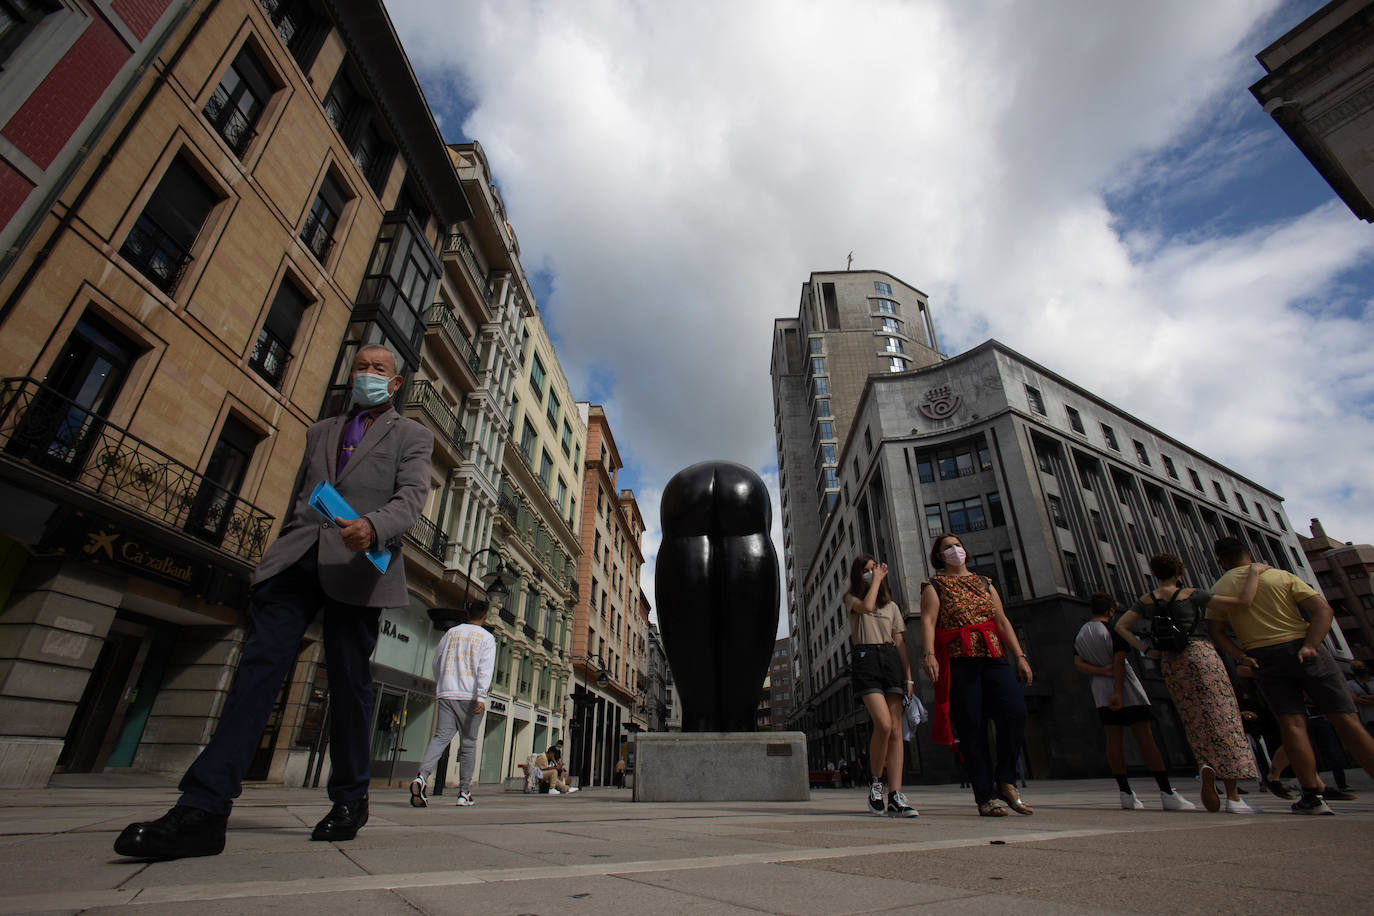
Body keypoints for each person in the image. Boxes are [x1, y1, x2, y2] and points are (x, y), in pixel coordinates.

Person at [114, 345, 433, 859]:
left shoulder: (413, 436)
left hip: (359, 565)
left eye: (379, 369)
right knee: (258, 670)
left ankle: (350, 797)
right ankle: (204, 808)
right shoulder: (320, 431)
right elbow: (299, 501)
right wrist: (268, 564)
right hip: (295, 562)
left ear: (395, 385)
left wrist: (374, 527)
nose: (368, 374)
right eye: (362, 366)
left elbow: (412, 498)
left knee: (349, 683)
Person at [1206, 536, 1374, 815]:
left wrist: (1240, 656)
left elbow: (1217, 632)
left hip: (1262, 656)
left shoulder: (1220, 588)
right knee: (1346, 719)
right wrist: (1310, 645)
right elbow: (1323, 610)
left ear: (1220, 560)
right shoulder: (1279, 575)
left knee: (1292, 724)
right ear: (1248, 553)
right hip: (1302, 646)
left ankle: (1312, 795)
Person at [1115, 553, 1263, 814]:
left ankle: (1205, 765)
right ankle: (1233, 796)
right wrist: (1253, 573)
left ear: (1155, 573)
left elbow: (1121, 626)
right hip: (1200, 653)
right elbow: (1242, 602)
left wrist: (1146, 650)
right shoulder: (1191, 595)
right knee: (1223, 719)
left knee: (1194, 720)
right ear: (1179, 573)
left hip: (1171, 662)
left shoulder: (1147, 600)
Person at [921, 533, 1033, 817]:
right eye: (948, 547)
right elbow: (928, 620)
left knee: (1015, 712)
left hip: (994, 656)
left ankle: (1006, 779)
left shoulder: (985, 583)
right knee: (973, 727)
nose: (955, 550)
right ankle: (985, 796)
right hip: (960, 661)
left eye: (957, 545)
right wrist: (929, 654)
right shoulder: (934, 585)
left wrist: (1019, 656)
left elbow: (1002, 620)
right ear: (939, 556)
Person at [1073, 593, 1194, 811]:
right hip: (1126, 689)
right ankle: (1166, 791)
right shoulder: (1113, 630)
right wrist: (1118, 691)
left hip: (1099, 689)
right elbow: (1119, 662)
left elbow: (1079, 664)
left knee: (1113, 741)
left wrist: (1100, 671)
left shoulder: (1082, 633)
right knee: (1145, 738)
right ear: (1111, 610)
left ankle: (1125, 793)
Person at [843, 553, 918, 817]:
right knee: (883, 724)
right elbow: (866, 606)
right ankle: (876, 783)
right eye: (866, 569)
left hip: (890, 661)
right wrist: (875, 581)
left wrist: (908, 676)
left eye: (874, 568)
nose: (871, 572)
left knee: (896, 730)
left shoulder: (892, 607)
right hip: (865, 659)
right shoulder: (851, 599)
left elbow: (899, 643)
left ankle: (896, 794)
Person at [409, 600, 496, 808]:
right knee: (468, 744)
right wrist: (482, 696)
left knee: (440, 738)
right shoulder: (487, 637)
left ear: (467, 614)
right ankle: (464, 792)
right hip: (471, 696)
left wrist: (441, 683)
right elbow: (485, 668)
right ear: (485, 616)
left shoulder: (451, 633)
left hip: (447, 691)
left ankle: (422, 777)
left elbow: (437, 660)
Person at [1347, 660, 1374, 740]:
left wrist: (1362, 697)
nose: (1358, 669)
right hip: (1367, 720)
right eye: (1354, 667)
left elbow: (1357, 698)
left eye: (1359, 666)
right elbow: (1354, 699)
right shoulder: (1350, 684)